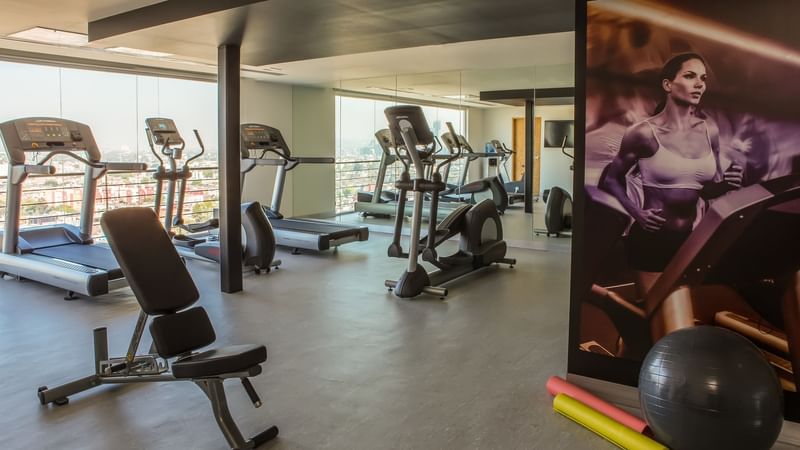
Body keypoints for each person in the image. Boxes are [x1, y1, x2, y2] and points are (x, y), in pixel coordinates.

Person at [599, 52, 743, 299]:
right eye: (690, 76)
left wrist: (725, 183)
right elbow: (610, 179)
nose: (699, 84)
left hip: (687, 241)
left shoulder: (710, 131)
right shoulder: (643, 133)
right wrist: (637, 214)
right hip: (651, 238)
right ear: (667, 84)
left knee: (678, 317)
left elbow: (703, 190)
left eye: (703, 78)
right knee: (658, 317)